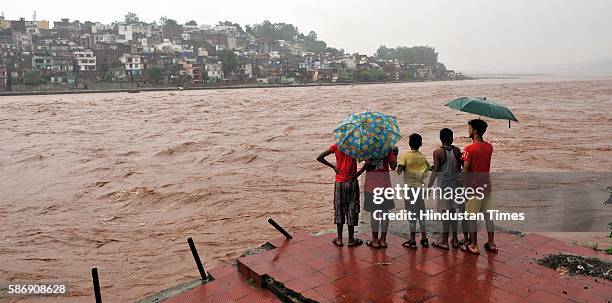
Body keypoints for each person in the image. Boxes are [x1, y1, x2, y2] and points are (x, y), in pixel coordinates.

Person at [317, 143, 368, 247]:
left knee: (339, 209)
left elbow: (319, 157)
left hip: (340, 182)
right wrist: (359, 172)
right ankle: (350, 239)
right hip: (352, 182)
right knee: (352, 209)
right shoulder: (356, 146)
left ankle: (339, 239)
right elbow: (368, 160)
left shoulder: (336, 146)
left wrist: (333, 167)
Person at [460, 119, 497, 255]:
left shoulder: (469, 149)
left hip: (474, 188)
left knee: (471, 217)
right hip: (487, 186)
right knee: (488, 216)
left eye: (469, 128)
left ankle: (474, 245)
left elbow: (465, 171)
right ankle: (491, 243)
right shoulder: (490, 147)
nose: (468, 131)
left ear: (475, 131)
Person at [428, 128, 464, 250]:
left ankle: (444, 240)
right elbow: (461, 167)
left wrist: (429, 186)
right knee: (453, 212)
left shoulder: (437, 152)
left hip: (443, 187)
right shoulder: (457, 150)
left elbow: (436, 170)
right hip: (455, 186)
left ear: (440, 138)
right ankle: (454, 239)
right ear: (451, 138)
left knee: (445, 214)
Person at [397, 134, 430, 249]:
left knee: (411, 214)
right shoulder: (422, 157)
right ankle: (424, 238)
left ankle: (412, 240)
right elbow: (428, 168)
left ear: (409, 143)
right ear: (420, 144)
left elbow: (399, 171)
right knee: (421, 213)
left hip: (409, 189)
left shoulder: (405, 156)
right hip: (420, 189)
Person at [363, 146, 398, 249]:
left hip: (371, 186)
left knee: (374, 212)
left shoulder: (367, 147)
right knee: (385, 212)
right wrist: (395, 155)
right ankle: (383, 240)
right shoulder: (388, 148)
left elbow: (367, 165)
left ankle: (374, 240)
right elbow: (393, 166)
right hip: (385, 184)